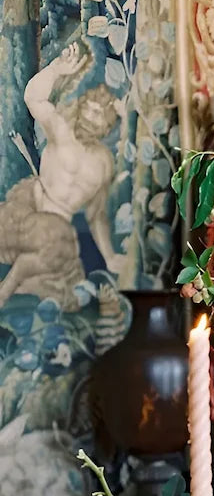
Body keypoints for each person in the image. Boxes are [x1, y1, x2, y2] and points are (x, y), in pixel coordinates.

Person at [0, 43, 121, 309]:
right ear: (81, 107)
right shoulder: (62, 131)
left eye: (100, 114)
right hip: (27, 210)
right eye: (89, 108)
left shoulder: (104, 163)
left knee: (58, 267)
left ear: (108, 123)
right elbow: (34, 99)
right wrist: (56, 70)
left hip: (58, 234)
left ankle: (10, 288)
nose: (92, 116)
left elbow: (96, 215)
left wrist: (110, 257)